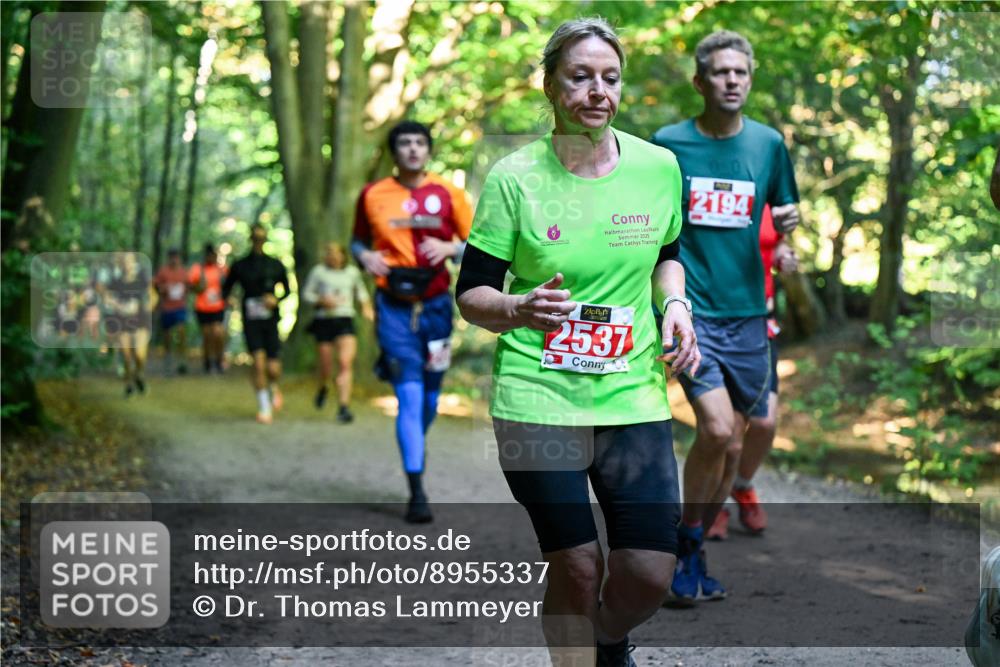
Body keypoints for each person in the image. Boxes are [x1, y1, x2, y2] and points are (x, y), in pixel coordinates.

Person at [457, 19, 699, 666]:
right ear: (549, 85)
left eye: (610, 78)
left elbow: (668, 255)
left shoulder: (659, 168)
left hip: (631, 390)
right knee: (578, 563)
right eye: (580, 76)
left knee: (648, 572)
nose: (598, 91)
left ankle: (605, 639)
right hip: (537, 392)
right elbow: (472, 293)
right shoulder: (514, 178)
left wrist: (675, 304)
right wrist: (517, 306)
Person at [651, 30, 801, 604]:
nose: (732, 81)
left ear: (750, 79)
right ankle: (687, 544)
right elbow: (649, 221)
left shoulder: (768, 145)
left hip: (749, 316)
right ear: (699, 81)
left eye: (740, 72)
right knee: (716, 429)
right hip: (691, 311)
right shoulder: (668, 145)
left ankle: (692, 541)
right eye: (720, 72)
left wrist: (788, 241)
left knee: (738, 442)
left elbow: (783, 216)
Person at [351, 120, 473, 523]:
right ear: (394, 151)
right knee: (409, 394)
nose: (413, 149)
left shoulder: (448, 193)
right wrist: (364, 255)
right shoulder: (372, 195)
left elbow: (478, 244)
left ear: (429, 150)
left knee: (430, 399)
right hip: (393, 306)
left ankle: (413, 443)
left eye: (420, 142)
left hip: (437, 305)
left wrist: (451, 246)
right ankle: (416, 490)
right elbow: (356, 240)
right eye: (404, 143)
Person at [706, 205, 799, 540]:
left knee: (764, 423)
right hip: (716, 327)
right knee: (729, 438)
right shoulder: (704, 189)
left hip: (761, 327)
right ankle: (715, 505)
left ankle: (741, 486)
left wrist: (785, 257)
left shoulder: (768, 196)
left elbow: (775, 245)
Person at [222, 224, 291, 424]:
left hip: (270, 321)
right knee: (258, 363)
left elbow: (287, 290)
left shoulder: (275, 265)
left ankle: (273, 387)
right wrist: (230, 299)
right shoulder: (240, 265)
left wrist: (276, 299)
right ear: (251, 239)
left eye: (261, 237)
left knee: (273, 368)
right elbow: (226, 289)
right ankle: (263, 406)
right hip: (251, 320)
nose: (258, 241)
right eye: (255, 238)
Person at [302, 242, 373, 423]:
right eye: (329, 253)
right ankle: (323, 386)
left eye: (336, 253)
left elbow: (362, 294)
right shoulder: (318, 272)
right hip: (324, 320)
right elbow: (306, 294)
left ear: (343, 255)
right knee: (326, 365)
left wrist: (367, 309)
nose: (332, 256)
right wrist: (321, 301)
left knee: (344, 362)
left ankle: (343, 406)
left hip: (345, 319)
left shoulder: (352, 273)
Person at [102, 253, 153, 397]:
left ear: (134, 263)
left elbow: (153, 295)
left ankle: (139, 374)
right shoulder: (116, 282)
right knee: (126, 355)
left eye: (130, 261)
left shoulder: (142, 279)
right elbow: (106, 295)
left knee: (139, 354)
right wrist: (118, 305)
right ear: (121, 264)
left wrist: (147, 306)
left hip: (141, 321)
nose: (127, 264)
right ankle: (128, 384)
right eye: (124, 262)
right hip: (123, 322)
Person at [189, 243, 229, 374]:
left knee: (218, 333)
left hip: (218, 307)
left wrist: (228, 297)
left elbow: (229, 285)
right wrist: (198, 287)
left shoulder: (222, 269)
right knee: (207, 335)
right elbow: (190, 286)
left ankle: (219, 360)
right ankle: (207, 361)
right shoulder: (198, 269)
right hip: (202, 308)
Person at [153, 248, 190, 375]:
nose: (174, 259)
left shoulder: (183, 272)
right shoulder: (163, 271)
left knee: (181, 332)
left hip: (180, 307)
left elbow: (189, 286)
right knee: (167, 336)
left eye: (176, 256)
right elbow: (155, 286)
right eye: (172, 257)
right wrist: (163, 289)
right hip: (167, 308)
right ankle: (168, 359)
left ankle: (182, 360)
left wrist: (185, 292)